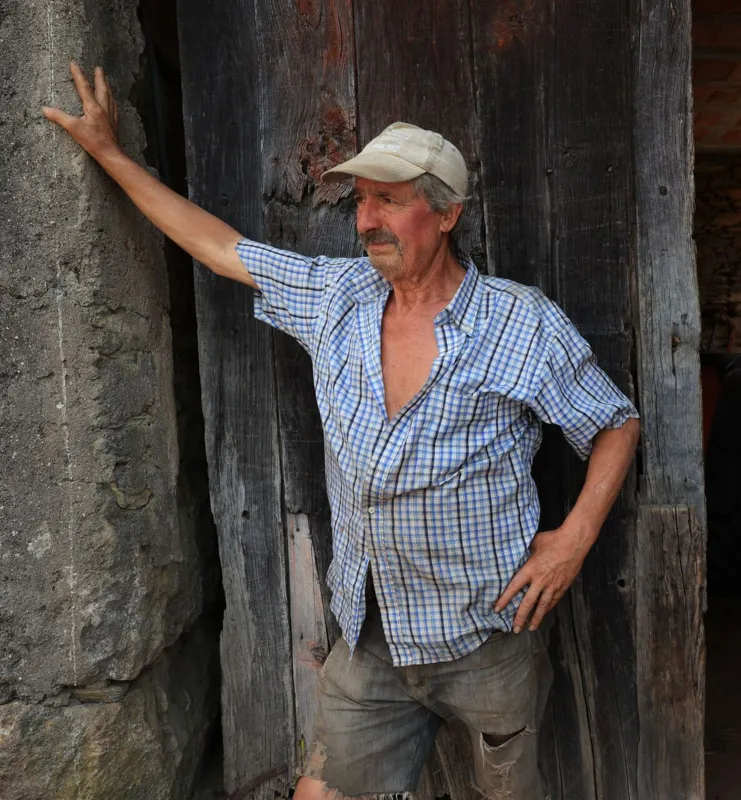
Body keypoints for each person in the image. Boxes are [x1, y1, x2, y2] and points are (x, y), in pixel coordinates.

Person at [44, 63, 640, 800]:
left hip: (487, 633)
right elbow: (221, 247)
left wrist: (573, 540)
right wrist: (110, 155)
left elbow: (614, 422)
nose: (365, 221)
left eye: (389, 200)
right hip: (369, 637)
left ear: (446, 214)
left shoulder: (520, 323)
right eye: (361, 201)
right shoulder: (338, 296)